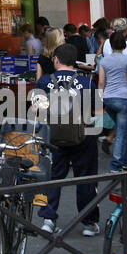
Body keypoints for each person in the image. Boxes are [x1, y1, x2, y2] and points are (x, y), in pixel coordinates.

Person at [38, 44, 101, 236]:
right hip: (83, 136)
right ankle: (89, 222)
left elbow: (36, 111)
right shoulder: (87, 82)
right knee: (86, 178)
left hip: (53, 137)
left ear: (56, 60)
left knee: (52, 177)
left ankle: (48, 219)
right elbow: (98, 112)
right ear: (75, 62)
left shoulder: (43, 82)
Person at [98, 33, 127, 171]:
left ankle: (125, 160)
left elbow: (101, 82)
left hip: (109, 98)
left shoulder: (104, 61)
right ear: (124, 44)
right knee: (122, 132)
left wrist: (100, 98)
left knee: (121, 130)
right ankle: (117, 163)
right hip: (124, 98)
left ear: (111, 44)